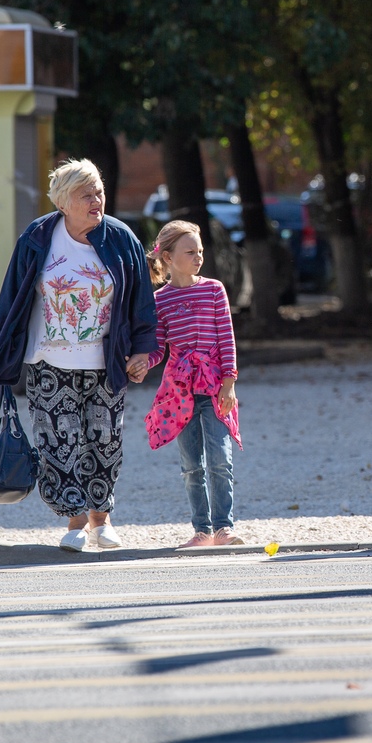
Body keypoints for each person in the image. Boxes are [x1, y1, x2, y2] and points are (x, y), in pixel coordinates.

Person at [0, 159, 159, 552]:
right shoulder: (38, 237)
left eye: (99, 191)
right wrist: (5, 351)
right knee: (58, 442)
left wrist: (144, 351)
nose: (97, 200)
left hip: (105, 361)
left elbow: (141, 303)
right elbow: (11, 298)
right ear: (64, 201)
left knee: (105, 441)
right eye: (87, 194)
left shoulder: (120, 238)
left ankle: (103, 520)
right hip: (49, 361)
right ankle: (76, 521)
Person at [143, 221, 243, 548]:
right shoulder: (159, 301)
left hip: (214, 387)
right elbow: (159, 348)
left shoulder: (214, 290)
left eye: (200, 250)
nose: (199, 257)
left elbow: (226, 340)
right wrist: (143, 361)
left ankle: (224, 528)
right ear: (168, 258)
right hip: (180, 392)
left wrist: (229, 383)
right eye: (191, 252)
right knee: (191, 465)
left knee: (220, 458)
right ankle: (201, 531)